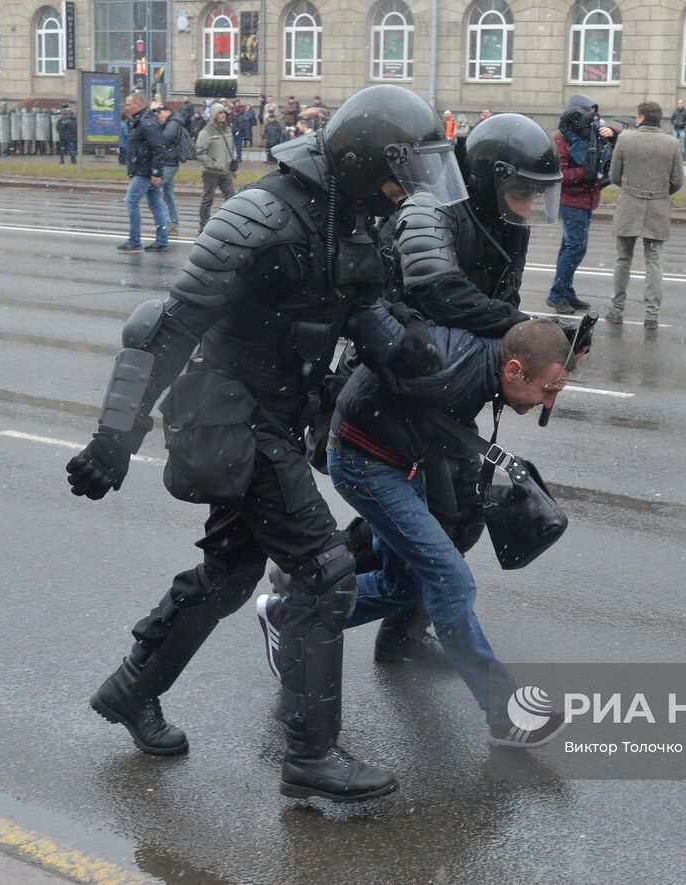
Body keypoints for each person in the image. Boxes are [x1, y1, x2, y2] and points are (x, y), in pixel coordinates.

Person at [70, 83, 462, 803]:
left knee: (229, 572)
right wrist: (112, 439)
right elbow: (171, 325)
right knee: (325, 570)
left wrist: (409, 355)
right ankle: (310, 755)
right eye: (396, 172)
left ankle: (132, 688)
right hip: (230, 415)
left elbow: (358, 304)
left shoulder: (353, 213)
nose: (403, 189)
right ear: (359, 161)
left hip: (279, 418)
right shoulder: (260, 215)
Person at [256, 319, 573, 750]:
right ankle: (507, 714)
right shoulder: (452, 369)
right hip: (366, 465)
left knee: (404, 586)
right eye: (549, 388)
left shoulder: (486, 365)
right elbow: (377, 350)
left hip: (402, 463)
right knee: (451, 580)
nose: (549, 400)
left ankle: (289, 614)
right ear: (514, 370)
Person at [351, 112, 570, 663]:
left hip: (452, 387)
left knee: (462, 515)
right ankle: (314, 581)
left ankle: (398, 632)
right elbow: (440, 292)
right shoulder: (431, 208)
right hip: (400, 383)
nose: (526, 206)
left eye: (533, 196)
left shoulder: (505, 224)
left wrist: (538, 342)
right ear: (487, 176)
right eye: (520, 192)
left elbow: (497, 311)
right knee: (419, 521)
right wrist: (529, 330)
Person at [606, 101, 684, 332]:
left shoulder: (625, 139)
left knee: (623, 260)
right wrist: (659, 193)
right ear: (659, 119)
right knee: (654, 263)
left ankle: (617, 310)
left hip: (629, 204)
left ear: (640, 118)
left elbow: (614, 175)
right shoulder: (672, 143)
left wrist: (631, 188)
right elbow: (677, 180)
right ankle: (651, 315)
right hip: (658, 206)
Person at [546, 94, 616, 315]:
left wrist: (612, 134)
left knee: (569, 247)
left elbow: (618, 141)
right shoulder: (562, 140)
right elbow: (560, 174)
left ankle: (564, 291)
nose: (593, 118)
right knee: (576, 247)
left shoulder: (587, 136)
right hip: (571, 201)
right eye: (589, 113)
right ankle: (557, 294)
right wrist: (585, 173)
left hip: (584, 200)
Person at [116, 92, 169, 253]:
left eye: (129, 104)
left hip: (144, 171)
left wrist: (155, 172)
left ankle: (134, 241)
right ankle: (161, 241)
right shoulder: (141, 121)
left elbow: (158, 148)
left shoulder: (146, 123)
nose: (127, 107)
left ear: (139, 104)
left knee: (131, 201)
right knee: (156, 205)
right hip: (145, 170)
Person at [195, 101, 236, 233]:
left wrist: (232, 163)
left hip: (225, 171)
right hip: (210, 172)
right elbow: (200, 152)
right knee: (207, 200)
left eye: (224, 112)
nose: (223, 115)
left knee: (232, 199)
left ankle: (232, 224)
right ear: (214, 115)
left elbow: (231, 148)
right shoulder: (206, 131)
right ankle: (203, 226)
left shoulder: (228, 129)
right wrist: (212, 164)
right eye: (220, 113)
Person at [154, 103, 184, 237]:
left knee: (155, 191)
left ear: (167, 112)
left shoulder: (172, 124)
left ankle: (167, 223)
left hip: (168, 163)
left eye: (160, 114)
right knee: (168, 195)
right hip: (170, 162)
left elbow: (163, 139)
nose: (158, 117)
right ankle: (174, 225)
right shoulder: (174, 122)